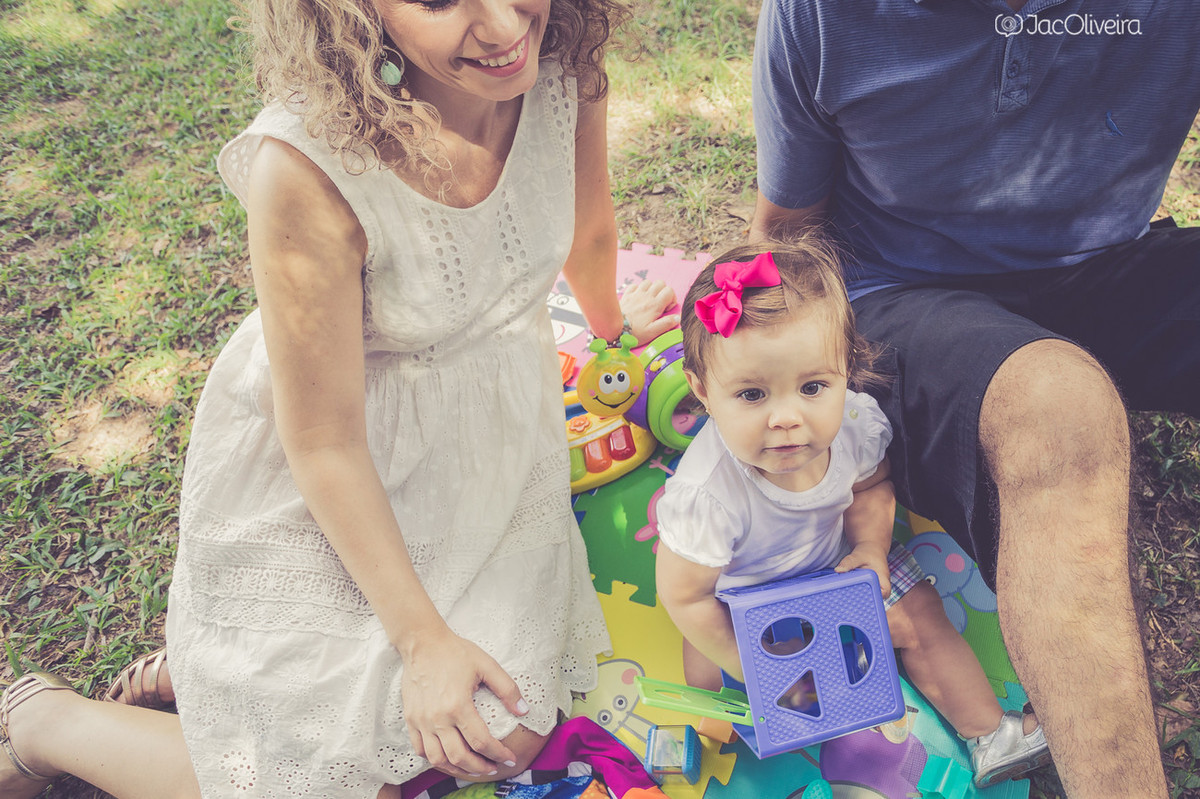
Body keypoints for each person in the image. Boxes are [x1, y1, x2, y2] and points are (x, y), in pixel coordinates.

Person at [0, 0, 680, 795]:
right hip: (340, 465)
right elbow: (322, 441)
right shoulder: (307, 164)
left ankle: (219, 684)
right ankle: (46, 720)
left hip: (487, 449)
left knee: (506, 732)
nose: (503, 28)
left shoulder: (560, 59)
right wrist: (423, 642)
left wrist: (613, 332)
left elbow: (589, 230)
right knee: (334, 782)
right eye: (438, 0)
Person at [747, 0, 1200, 795]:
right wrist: (765, 390)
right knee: (1057, 409)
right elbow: (789, 235)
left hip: (1109, 261)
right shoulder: (820, 14)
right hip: (909, 297)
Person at [654, 239, 1050, 787]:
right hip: (748, 600)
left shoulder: (853, 429)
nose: (786, 418)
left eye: (813, 387)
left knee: (922, 614)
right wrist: (758, 669)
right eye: (751, 395)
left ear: (847, 371)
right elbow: (685, 596)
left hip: (838, 561)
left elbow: (871, 486)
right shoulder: (707, 495)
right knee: (707, 678)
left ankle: (990, 735)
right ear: (702, 391)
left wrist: (869, 546)